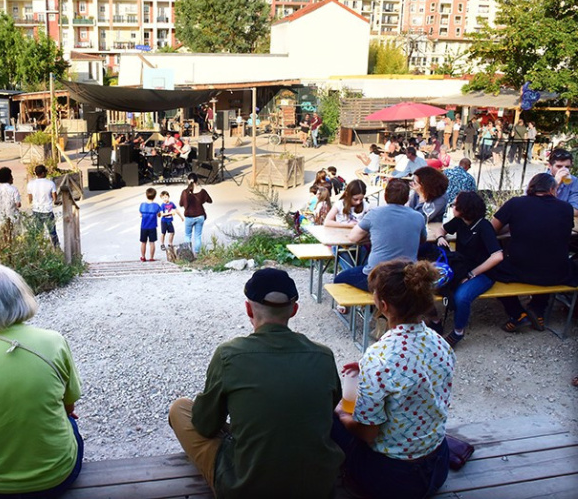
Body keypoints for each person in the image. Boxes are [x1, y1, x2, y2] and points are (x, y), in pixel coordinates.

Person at [169, 268, 344, 499]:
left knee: (179, 408)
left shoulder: (228, 355)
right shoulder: (324, 355)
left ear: (248, 308)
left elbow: (205, 425)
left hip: (244, 487)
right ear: (294, 310)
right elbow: (329, 407)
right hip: (317, 487)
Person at [0, 264, 82, 498]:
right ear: (20, 297)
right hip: (56, 478)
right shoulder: (54, 341)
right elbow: (69, 405)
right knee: (71, 425)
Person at [333, 259, 454, 499]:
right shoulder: (440, 343)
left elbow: (368, 433)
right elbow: (414, 374)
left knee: (331, 415)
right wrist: (366, 369)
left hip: (393, 479)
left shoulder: (379, 357)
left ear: (384, 306)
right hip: (438, 466)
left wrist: (343, 415)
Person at [491, 173, 577, 332]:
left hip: (521, 270)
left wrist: (513, 223)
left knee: (491, 269)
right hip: (558, 273)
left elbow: (492, 229)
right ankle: (537, 308)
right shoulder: (566, 208)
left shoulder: (515, 204)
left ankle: (517, 313)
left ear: (531, 188)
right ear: (552, 189)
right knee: (550, 257)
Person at [436, 192, 504, 347]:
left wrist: (472, 274)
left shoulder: (483, 226)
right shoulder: (460, 221)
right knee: (435, 283)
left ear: (464, 208)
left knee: (462, 297)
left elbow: (497, 256)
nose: (452, 206)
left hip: (483, 273)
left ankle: (458, 331)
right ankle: (435, 321)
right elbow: (441, 230)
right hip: (462, 267)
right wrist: (440, 237)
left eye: (455, 204)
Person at [334, 180, 426, 292]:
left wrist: (372, 236)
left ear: (385, 196)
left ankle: (361, 308)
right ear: (407, 198)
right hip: (406, 276)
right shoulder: (418, 217)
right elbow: (422, 240)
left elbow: (353, 238)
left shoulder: (375, 213)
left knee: (339, 279)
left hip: (378, 276)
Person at [325, 179, 370, 271]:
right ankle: (352, 276)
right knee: (350, 267)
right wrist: (348, 225)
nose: (358, 202)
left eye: (361, 199)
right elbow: (327, 222)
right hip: (341, 242)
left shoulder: (365, 205)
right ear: (348, 195)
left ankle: (357, 275)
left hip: (359, 242)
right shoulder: (340, 204)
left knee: (363, 266)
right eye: (356, 199)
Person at [179, 173, 213, 255]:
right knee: (197, 236)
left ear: (188, 180)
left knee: (187, 235)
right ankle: (197, 253)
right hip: (200, 215)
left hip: (189, 216)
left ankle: (188, 254)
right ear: (197, 181)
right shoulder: (202, 191)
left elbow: (180, 204)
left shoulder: (185, 192)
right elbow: (210, 201)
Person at [27, 164, 59, 248]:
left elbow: (30, 198)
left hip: (36, 209)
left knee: (38, 231)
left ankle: (39, 247)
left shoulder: (30, 184)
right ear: (43, 173)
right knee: (52, 231)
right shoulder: (50, 183)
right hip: (47, 209)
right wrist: (54, 201)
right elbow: (55, 197)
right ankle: (56, 248)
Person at [546, 148, 578, 216]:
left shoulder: (574, 181)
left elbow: (575, 210)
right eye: (559, 166)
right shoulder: (539, 179)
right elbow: (534, 205)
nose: (563, 170)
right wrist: (555, 185)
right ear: (549, 166)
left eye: (567, 167)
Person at [140, 187, 161, 262]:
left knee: (143, 242)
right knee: (152, 243)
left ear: (146, 195)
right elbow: (159, 215)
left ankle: (143, 257)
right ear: (155, 196)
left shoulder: (142, 205)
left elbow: (140, 215)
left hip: (144, 227)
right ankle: (151, 257)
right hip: (152, 227)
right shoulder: (156, 206)